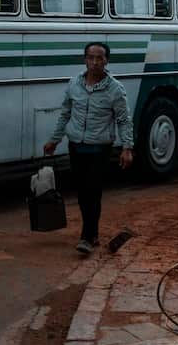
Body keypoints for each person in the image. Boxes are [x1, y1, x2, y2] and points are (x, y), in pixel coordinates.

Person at [42, 42, 134, 255]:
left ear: (106, 61)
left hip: (99, 149)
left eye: (99, 58)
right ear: (85, 60)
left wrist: (127, 148)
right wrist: (54, 140)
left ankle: (87, 235)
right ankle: (92, 234)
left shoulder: (115, 89)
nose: (95, 62)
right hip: (76, 146)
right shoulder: (74, 84)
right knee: (83, 193)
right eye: (91, 57)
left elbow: (123, 120)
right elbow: (65, 113)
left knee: (93, 191)